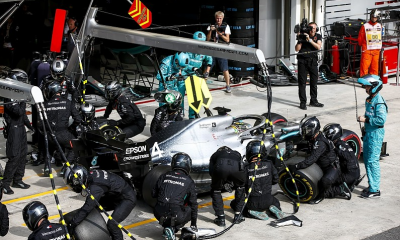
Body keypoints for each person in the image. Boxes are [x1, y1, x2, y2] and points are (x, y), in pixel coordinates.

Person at [287, 116, 350, 204]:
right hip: (321, 162)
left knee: (324, 182)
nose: (305, 132)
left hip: (331, 167)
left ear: (313, 130)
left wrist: (296, 166)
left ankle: (337, 190)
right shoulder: (314, 137)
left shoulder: (320, 143)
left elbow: (311, 159)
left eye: (307, 130)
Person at [64, 164, 137, 240]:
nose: (72, 186)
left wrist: (72, 224)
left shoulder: (95, 187)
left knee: (112, 224)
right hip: (117, 194)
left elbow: (88, 207)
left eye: (72, 184)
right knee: (93, 207)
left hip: (127, 199)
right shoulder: (91, 174)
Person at [231, 141, 285, 221]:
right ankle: (275, 210)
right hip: (268, 200)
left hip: (252, 202)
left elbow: (240, 186)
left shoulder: (245, 168)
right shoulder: (269, 164)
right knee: (275, 201)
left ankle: (250, 212)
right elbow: (275, 180)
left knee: (233, 203)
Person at [35, 81, 82, 169]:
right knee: (75, 146)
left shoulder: (45, 104)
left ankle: (47, 167)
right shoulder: (68, 102)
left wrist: (46, 132)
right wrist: (70, 128)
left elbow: (40, 124)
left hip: (50, 134)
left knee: (50, 147)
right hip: (63, 133)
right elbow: (78, 119)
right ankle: (66, 168)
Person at [152, 153, 197, 240]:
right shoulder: (189, 181)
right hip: (176, 215)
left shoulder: (164, 175)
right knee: (190, 208)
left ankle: (166, 227)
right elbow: (194, 204)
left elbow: (153, 194)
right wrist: (193, 224)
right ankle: (173, 229)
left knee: (164, 203)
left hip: (158, 213)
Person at [3, 70, 34, 194]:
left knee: (22, 155)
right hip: (13, 130)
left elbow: (23, 116)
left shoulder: (19, 96)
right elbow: (18, 112)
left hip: (21, 128)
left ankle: (18, 180)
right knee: (14, 156)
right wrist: (23, 100)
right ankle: (5, 184)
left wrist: (30, 126)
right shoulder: (9, 95)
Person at [357, 74, 387, 198]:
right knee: (367, 160)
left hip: (376, 134)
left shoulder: (379, 102)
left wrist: (366, 120)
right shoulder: (370, 99)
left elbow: (381, 120)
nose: (365, 88)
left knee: (373, 161)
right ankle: (371, 185)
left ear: (375, 87)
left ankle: (375, 190)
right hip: (369, 133)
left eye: (368, 86)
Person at [209, 146, 246, 226]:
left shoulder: (215, 155)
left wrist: (220, 182)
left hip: (221, 166)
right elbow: (242, 168)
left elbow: (211, 172)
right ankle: (238, 216)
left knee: (216, 190)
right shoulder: (236, 153)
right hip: (237, 168)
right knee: (240, 188)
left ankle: (221, 218)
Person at [323, 123, 361, 195]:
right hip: (354, 172)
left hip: (350, 174)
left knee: (325, 189)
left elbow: (344, 156)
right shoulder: (342, 143)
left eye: (327, 133)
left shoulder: (338, 147)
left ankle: (342, 190)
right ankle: (350, 184)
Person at [182, 31, 213, 119]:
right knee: (180, 97)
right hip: (184, 75)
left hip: (195, 76)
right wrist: (193, 68)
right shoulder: (187, 49)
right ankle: (179, 115)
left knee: (195, 97)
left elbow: (209, 61)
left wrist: (207, 71)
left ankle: (192, 116)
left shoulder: (204, 51)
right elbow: (183, 63)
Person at [294, 22, 323, 110]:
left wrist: (309, 40)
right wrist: (300, 39)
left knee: (314, 82)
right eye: (311, 28)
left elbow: (318, 47)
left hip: (313, 61)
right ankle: (303, 102)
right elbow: (297, 49)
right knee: (302, 83)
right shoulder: (303, 36)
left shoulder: (317, 36)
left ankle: (313, 100)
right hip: (302, 61)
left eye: (314, 28)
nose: (312, 30)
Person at [206, 11, 232, 93]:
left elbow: (227, 40)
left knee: (224, 68)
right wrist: (210, 30)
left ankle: (228, 85)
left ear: (222, 18)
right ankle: (202, 84)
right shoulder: (212, 25)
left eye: (220, 18)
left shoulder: (226, 26)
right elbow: (207, 39)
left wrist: (218, 32)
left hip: (222, 49)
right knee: (208, 66)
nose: (218, 20)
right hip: (213, 49)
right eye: (217, 18)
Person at [358, 10, 382, 77]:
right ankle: (364, 81)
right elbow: (360, 38)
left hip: (376, 50)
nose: (374, 18)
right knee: (364, 67)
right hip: (367, 50)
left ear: (378, 18)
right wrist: (363, 47)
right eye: (373, 17)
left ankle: (374, 80)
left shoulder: (379, 26)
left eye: (375, 17)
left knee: (374, 68)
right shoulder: (365, 26)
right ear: (370, 16)